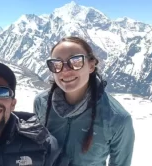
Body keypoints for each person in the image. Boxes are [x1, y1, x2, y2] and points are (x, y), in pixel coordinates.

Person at [34, 36, 135, 166]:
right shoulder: (41, 103)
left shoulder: (117, 119)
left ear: (91, 66)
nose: (65, 70)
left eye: (75, 62)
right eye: (57, 64)